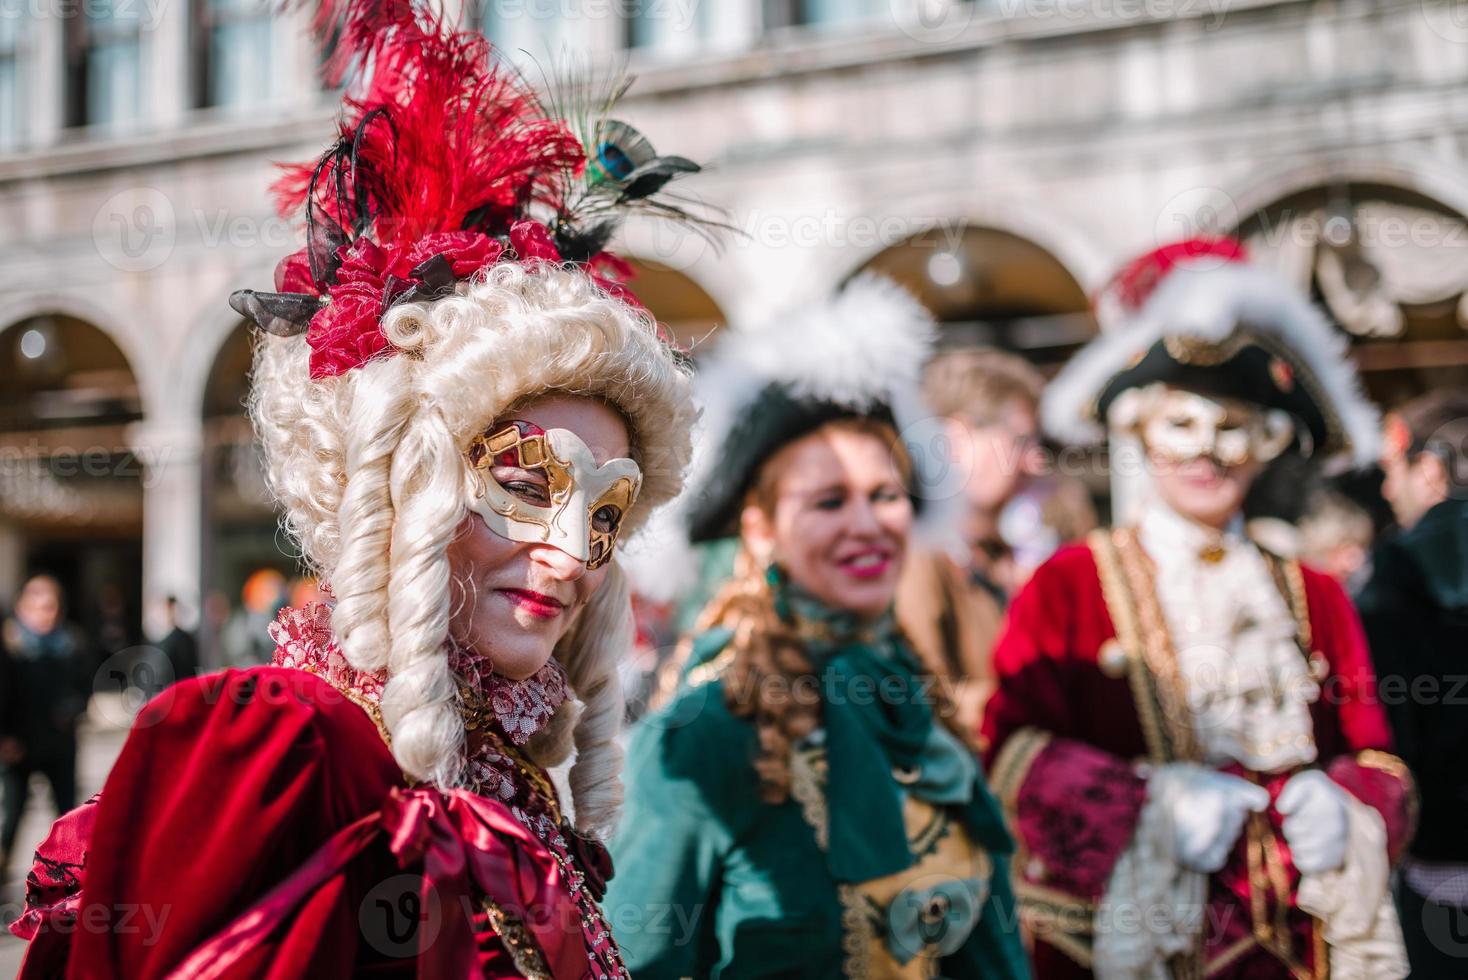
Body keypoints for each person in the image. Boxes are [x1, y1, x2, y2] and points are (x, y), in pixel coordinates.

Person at [8, 2, 705, 975]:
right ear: (396, 481)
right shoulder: (286, 748)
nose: (569, 554)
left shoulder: (508, 773)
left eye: (604, 511)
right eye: (521, 482)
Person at [984, 238, 1415, 979]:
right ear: (1142, 431)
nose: (1206, 452)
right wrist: (1141, 805)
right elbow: (1011, 754)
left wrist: (1348, 805)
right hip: (1123, 944)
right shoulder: (1070, 581)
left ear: (1267, 441)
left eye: (1232, 428)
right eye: (1182, 424)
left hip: (1296, 946)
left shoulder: (1314, 593)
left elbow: (1376, 754)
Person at [607, 277, 1029, 979]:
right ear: (761, 528)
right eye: (829, 501)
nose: (867, 524)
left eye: (886, 495)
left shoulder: (915, 708)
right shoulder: (701, 736)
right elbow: (632, 961)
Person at [1356, 388, 1468, 978]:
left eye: (1389, 470)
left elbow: (1381, 736)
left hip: (1440, 879)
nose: (1383, 489)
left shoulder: (1394, 575)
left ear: (1429, 469)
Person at [0, 576, 91, 889]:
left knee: (67, 818)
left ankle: (67, 884)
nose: (46, 615)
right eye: (39, 607)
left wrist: (74, 706)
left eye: (51, 607)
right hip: (18, 746)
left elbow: (85, 686)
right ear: (23, 608)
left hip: (59, 745)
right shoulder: (10, 647)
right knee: (9, 820)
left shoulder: (70, 644)